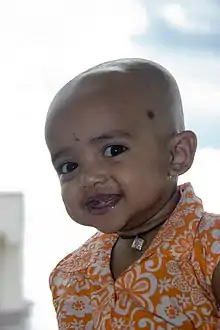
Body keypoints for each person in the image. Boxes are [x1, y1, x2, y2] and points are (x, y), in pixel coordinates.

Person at [45, 58, 220, 329]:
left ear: (177, 154)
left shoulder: (210, 251)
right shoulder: (70, 275)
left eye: (113, 150)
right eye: (69, 166)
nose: (89, 178)